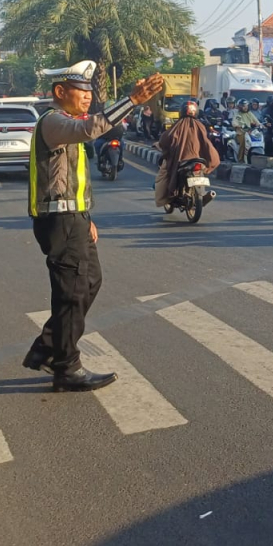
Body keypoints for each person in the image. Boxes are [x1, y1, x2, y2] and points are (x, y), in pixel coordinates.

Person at [22, 61, 164, 391]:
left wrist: (86, 217)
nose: (87, 97)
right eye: (81, 91)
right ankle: (66, 367)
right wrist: (132, 101)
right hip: (60, 221)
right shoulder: (54, 121)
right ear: (60, 91)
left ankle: (47, 348)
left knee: (89, 282)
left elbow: (72, 179)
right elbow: (90, 128)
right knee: (71, 293)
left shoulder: (66, 123)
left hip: (75, 218)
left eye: (89, 92)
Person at [155, 99, 220, 208]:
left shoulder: (177, 125)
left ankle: (164, 198)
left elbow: (166, 139)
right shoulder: (200, 125)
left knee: (163, 174)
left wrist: (160, 145)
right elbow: (205, 142)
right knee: (202, 170)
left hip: (181, 159)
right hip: (198, 159)